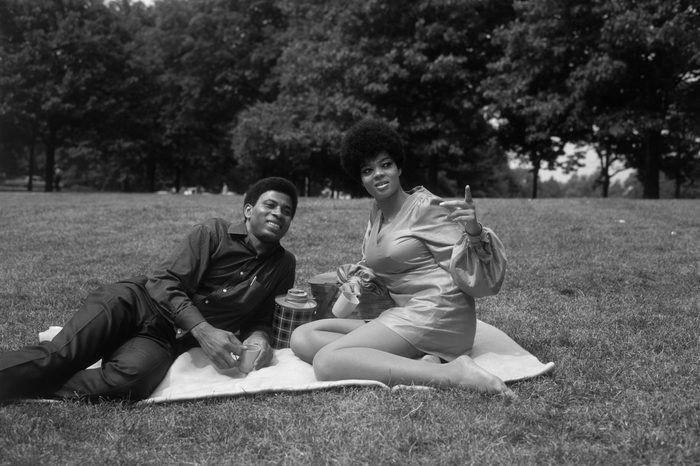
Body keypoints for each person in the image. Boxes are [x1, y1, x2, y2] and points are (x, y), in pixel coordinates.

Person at [0, 177, 298, 403]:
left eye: (286, 211)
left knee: (130, 382)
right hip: (136, 301)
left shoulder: (284, 264)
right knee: (61, 355)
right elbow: (163, 281)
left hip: (163, 337)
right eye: (270, 205)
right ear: (248, 210)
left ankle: (33, 384)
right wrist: (203, 330)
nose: (278, 214)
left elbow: (262, 317)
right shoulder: (214, 232)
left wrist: (260, 337)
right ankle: (33, 373)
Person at [290, 119, 512, 396]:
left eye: (386, 165)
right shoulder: (376, 213)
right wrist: (358, 279)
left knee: (326, 362)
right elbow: (376, 261)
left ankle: (453, 373)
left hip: (438, 313)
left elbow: (477, 279)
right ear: (360, 179)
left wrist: (475, 233)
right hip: (403, 314)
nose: (379, 174)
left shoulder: (425, 208)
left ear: (399, 168)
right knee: (303, 337)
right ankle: (421, 362)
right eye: (368, 170)